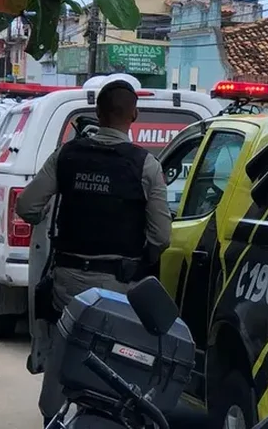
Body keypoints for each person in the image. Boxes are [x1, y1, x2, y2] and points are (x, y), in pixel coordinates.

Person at [14, 80, 172, 426]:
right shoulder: (146, 165)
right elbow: (162, 236)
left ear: (98, 114)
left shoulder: (67, 155)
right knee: (117, 366)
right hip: (120, 289)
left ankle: (54, 417)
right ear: (134, 115)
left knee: (63, 352)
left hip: (68, 283)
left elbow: (27, 206)